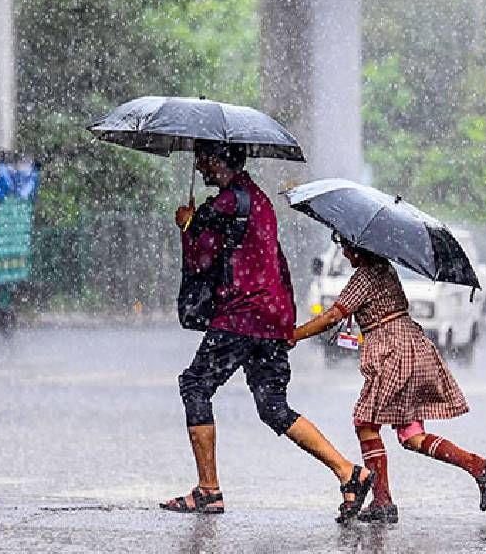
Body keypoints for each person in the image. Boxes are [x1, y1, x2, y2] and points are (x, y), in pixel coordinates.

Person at [160, 141, 375, 522]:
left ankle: (208, 491)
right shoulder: (259, 202)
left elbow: (200, 259)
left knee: (195, 385)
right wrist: (285, 319)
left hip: (240, 317)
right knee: (273, 406)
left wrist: (186, 226)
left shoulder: (222, 205)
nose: (199, 166)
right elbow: (274, 258)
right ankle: (348, 471)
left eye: (202, 159)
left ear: (216, 161)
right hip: (271, 318)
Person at [291, 236, 486, 523]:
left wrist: (294, 335)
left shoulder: (366, 275)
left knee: (365, 422)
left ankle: (382, 501)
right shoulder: (385, 268)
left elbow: (332, 316)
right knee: (411, 435)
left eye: (345, 246)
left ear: (359, 247)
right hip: (411, 346)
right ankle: (480, 467)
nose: (343, 251)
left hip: (393, 352)